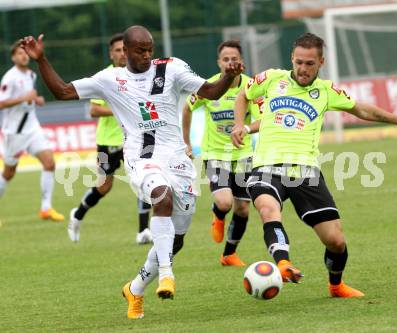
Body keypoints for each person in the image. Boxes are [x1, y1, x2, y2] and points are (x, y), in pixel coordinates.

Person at [21, 25, 243, 319]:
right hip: (141, 158)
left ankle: (135, 288)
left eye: (150, 49)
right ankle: (167, 275)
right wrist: (41, 60)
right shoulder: (110, 79)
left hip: (177, 161)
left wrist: (228, 75)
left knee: (176, 240)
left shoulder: (172, 68)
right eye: (141, 51)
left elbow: (211, 92)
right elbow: (63, 91)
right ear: (125, 52)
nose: (147, 55)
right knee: (161, 198)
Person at [232, 32, 397, 298]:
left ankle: (336, 286)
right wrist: (239, 125)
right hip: (267, 165)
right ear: (292, 58)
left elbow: (362, 110)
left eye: (309, 63)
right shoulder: (272, 78)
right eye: (298, 62)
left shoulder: (326, 91)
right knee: (267, 208)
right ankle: (283, 263)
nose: (302, 68)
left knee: (336, 240)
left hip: (305, 173)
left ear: (320, 62)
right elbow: (243, 94)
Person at [182, 40, 261, 266]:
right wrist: (186, 142)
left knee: (244, 208)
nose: (230, 62)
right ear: (219, 62)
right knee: (225, 202)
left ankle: (229, 254)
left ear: (241, 62)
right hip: (215, 154)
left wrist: (246, 129)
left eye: (234, 58)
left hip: (243, 154)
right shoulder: (209, 87)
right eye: (225, 59)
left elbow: (260, 119)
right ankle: (218, 215)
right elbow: (187, 108)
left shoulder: (251, 87)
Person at [68, 33, 152, 245]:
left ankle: (143, 230)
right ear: (111, 54)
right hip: (108, 141)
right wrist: (119, 108)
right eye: (117, 50)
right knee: (104, 187)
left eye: (125, 49)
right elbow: (94, 109)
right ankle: (77, 215)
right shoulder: (105, 77)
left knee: (143, 180)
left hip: (134, 139)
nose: (122, 54)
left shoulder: (140, 74)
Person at [0, 41, 64, 222]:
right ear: (13, 57)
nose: (24, 56)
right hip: (15, 132)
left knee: (49, 163)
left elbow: (28, 98)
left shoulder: (31, 75)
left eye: (25, 52)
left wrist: (36, 99)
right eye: (19, 53)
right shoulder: (9, 78)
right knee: (8, 173)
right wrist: (24, 98)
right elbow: (2, 103)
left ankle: (46, 208)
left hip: (32, 128)